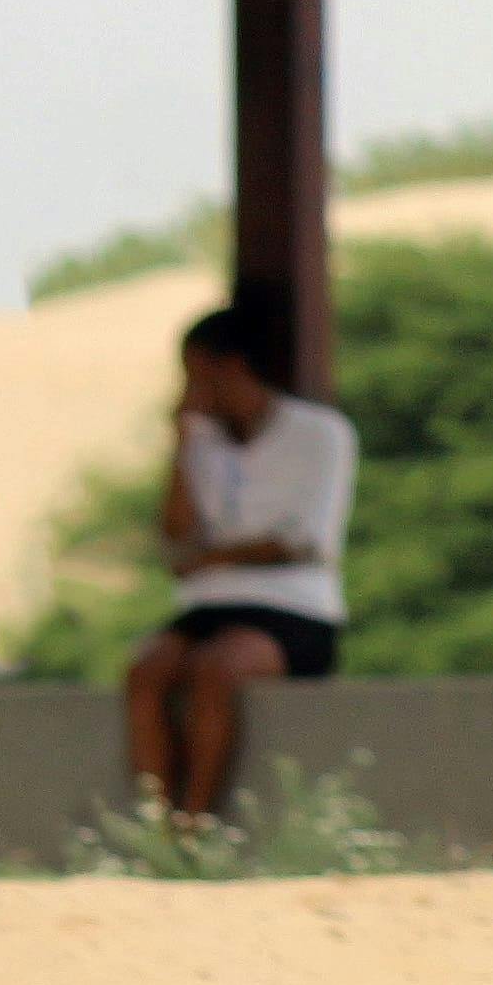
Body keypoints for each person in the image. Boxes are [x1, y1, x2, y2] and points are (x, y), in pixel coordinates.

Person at [120, 300, 361, 822]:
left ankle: (197, 821)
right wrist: (182, 449)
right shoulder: (201, 442)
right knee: (146, 671)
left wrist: (214, 556)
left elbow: (302, 542)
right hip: (209, 605)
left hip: (294, 608)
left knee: (216, 670)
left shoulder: (321, 434)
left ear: (231, 368)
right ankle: (155, 822)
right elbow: (177, 540)